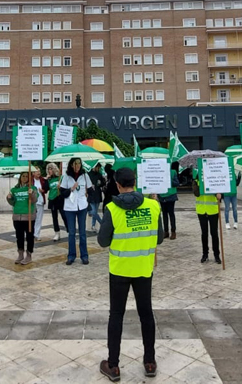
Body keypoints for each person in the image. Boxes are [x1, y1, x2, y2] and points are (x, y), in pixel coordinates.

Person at [97, 167, 162, 382]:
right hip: (144, 269)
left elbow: (103, 241)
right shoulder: (153, 206)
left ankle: (113, 365)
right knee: (146, 314)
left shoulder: (111, 209)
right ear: (135, 182)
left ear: (117, 185)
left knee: (116, 315)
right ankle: (150, 362)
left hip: (120, 270)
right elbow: (160, 238)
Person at [61, 157, 94, 265]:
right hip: (70, 207)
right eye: (75, 163)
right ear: (71, 165)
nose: (78, 166)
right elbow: (62, 193)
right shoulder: (66, 177)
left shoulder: (85, 175)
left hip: (82, 206)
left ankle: (84, 255)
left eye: (79, 163)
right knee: (71, 233)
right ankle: (71, 255)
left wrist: (88, 194)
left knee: (82, 232)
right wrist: (71, 189)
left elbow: (90, 190)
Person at [6, 172, 38, 265]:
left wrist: (31, 194)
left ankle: (29, 254)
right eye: (23, 176)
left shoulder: (32, 188)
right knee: (19, 236)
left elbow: (34, 200)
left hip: (28, 217)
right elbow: (12, 203)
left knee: (29, 236)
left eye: (26, 176)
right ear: (20, 177)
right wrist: (9, 198)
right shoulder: (14, 189)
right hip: (17, 216)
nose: (25, 178)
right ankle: (20, 254)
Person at [193, 172, 222, 264]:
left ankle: (216, 255)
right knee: (204, 233)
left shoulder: (214, 180)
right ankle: (205, 254)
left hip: (213, 210)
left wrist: (218, 194)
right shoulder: (196, 181)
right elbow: (196, 193)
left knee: (214, 233)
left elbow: (221, 195)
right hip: (201, 210)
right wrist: (202, 184)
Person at [157, 161, 180, 239]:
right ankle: (166, 231)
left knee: (171, 214)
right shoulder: (159, 172)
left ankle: (173, 232)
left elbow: (177, 183)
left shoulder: (173, 172)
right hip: (162, 196)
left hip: (171, 196)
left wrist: (169, 180)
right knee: (164, 214)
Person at [46, 163, 68, 241]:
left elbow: (66, 188)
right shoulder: (49, 180)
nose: (49, 170)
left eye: (51, 169)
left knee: (64, 215)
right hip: (52, 199)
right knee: (54, 217)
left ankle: (69, 230)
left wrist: (61, 186)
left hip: (60, 199)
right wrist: (46, 179)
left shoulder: (60, 178)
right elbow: (46, 189)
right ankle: (57, 233)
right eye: (48, 169)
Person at [88, 163, 106, 232]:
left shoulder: (99, 175)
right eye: (97, 168)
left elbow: (103, 183)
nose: (98, 169)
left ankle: (93, 225)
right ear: (94, 167)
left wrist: (101, 183)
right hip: (91, 195)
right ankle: (102, 223)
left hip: (97, 195)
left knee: (95, 211)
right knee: (93, 212)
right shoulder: (89, 174)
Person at [32, 168, 48, 241]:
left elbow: (46, 188)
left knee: (39, 218)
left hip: (40, 201)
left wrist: (43, 190)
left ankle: (37, 234)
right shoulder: (31, 181)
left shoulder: (42, 180)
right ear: (33, 173)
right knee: (32, 218)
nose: (38, 172)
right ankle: (31, 233)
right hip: (32, 202)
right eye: (37, 171)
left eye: (39, 171)